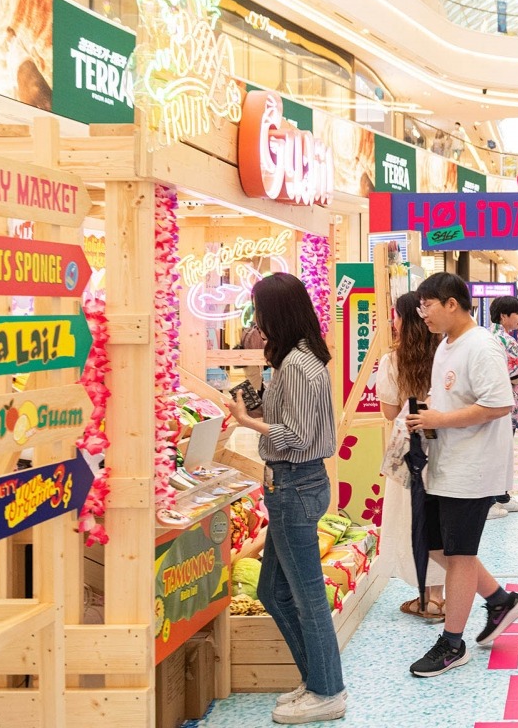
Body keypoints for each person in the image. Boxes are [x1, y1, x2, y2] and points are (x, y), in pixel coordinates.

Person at [224, 273, 345, 724]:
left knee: (306, 595)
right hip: (299, 482)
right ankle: (316, 679)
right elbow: (294, 420)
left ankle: (328, 690)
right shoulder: (304, 356)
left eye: (259, 309)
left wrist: (244, 420)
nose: (256, 320)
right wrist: (256, 407)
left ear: (275, 311)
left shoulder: (295, 363)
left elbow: (294, 436)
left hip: (293, 482)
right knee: (272, 591)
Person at [406, 273, 518, 677]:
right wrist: (429, 415)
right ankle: (499, 600)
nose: (422, 313)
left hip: (473, 468)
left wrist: (441, 417)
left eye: (428, 305)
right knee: (435, 545)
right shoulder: (446, 345)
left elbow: (498, 404)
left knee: (459, 555)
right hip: (445, 462)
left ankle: (452, 643)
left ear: (452, 304)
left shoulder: (482, 346)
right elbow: (455, 399)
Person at [376, 292, 445, 620]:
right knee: (440, 517)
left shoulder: (393, 360)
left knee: (411, 518)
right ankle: (438, 597)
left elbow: (390, 411)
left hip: (408, 448)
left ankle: (424, 597)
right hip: (444, 443)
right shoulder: (445, 353)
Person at [488, 295, 518, 520]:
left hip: (491, 402)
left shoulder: (487, 336)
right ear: (504, 316)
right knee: (501, 452)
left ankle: (501, 496)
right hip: (504, 403)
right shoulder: (506, 340)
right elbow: (516, 376)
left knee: (498, 450)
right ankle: (493, 499)